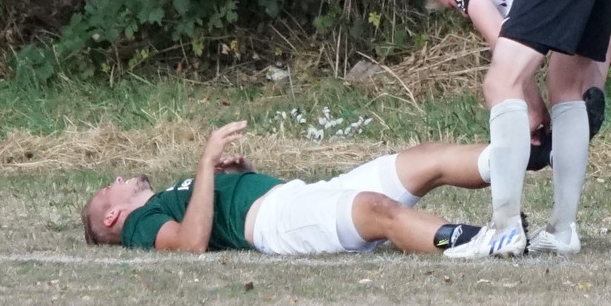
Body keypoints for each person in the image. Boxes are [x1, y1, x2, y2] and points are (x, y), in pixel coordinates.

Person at [420, 0, 611, 257]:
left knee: (499, 83)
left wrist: (532, 107)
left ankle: (504, 230)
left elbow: (498, 41)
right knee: (566, 87)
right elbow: (600, 44)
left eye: (454, 3)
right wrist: (587, 92)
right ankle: (562, 231)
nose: (461, 9)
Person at [83, 120, 518, 256]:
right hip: (279, 224)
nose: (118, 179)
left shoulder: (167, 198)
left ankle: (530, 154)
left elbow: (212, 216)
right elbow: (190, 244)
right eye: (109, 188)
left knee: (424, 159)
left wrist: (243, 175)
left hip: (300, 194)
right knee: (379, 211)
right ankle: (483, 243)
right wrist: (204, 163)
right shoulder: (140, 224)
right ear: (112, 216)